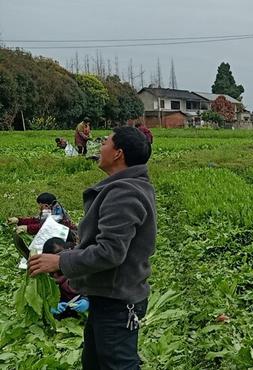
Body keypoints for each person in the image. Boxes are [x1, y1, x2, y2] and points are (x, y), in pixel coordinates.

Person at [28, 126, 156, 369]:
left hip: (117, 302)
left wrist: (60, 261)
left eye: (105, 141)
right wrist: (68, 264)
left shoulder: (124, 193)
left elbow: (110, 252)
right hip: (106, 295)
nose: (100, 146)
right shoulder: (128, 186)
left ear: (118, 153)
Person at [43, 238, 90, 320]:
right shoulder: (45, 276)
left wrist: (87, 300)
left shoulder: (79, 264)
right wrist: (50, 307)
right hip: (63, 310)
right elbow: (42, 298)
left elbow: (95, 286)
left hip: (81, 306)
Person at [7, 192, 77, 237]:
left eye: (40, 206)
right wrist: (19, 220)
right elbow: (37, 220)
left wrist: (27, 228)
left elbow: (45, 227)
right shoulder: (50, 209)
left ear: (46, 205)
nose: (39, 208)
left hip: (69, 237)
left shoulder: (58, 215)